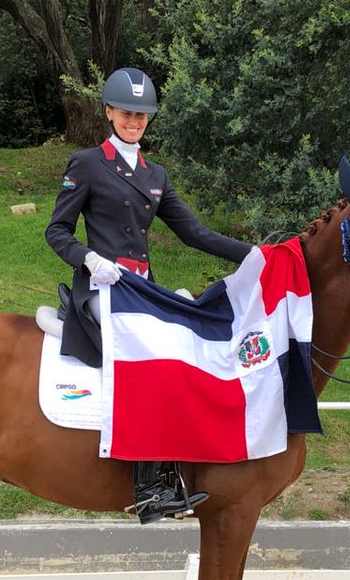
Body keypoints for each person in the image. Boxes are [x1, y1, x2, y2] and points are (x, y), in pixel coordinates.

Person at [45, 67, 254, 524]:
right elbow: (56, 231)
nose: (133, 121)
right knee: (148, 353)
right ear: (108, 112)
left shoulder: (155, 174)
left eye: (141, 115)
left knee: (186, 348)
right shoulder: (86, 163)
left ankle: (178, 465)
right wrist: (88, 258)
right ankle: (148, 487)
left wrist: (256, 254)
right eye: (125, 113)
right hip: (102, 285)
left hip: (143, 288)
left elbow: (194, 233)